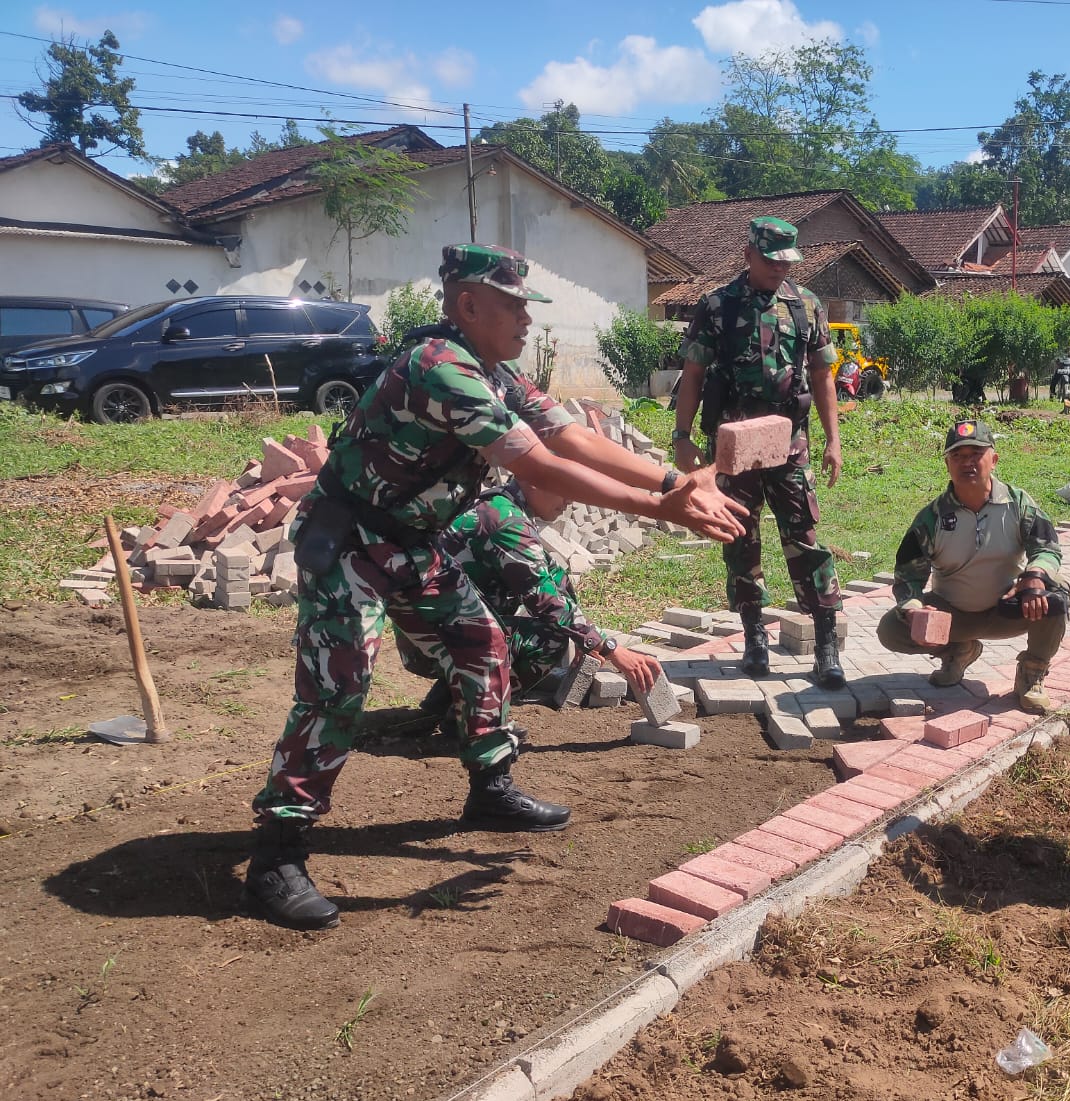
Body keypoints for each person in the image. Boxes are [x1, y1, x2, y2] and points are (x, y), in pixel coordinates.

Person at [245, 243, 747, 931]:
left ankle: (490, 787)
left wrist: (669, 481)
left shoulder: (495, 373)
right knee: (340, 687)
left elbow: (569, 437)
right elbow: (535, 461)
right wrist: (660, 507)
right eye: (513, 306)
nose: (526, 320)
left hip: (414, 543)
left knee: (482, 644)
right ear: (468, 305)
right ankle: (276, 851)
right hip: (353, 544)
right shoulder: (439, 368)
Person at [671, 216, 847, 690]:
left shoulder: (806, 305)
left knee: (803, 536)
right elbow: (692, 374)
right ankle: (753, 636)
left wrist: (832, 440)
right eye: (770, 260)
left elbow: (822, 377)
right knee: (740, 537)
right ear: (748, 254)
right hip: (734, 442)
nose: (778, 269)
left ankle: (826, 642)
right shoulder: (717, 307)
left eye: (786, 262)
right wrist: (682, 435)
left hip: (789, 441)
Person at [394, 480, 662, 729]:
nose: (570, 500)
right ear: (534, 481)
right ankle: (473, 720)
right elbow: (545, 601)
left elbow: (554, 577)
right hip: (430, 647)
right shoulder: (506, 522)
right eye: (564, 490)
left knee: (535, 623)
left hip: (435, 636)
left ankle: (445, 703)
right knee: (550, 640)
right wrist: (611, 648)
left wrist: (585, 639)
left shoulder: (503, 506)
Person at [877, 419, 1070, 715]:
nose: (967, 463)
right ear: (947, 464)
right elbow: (907, 576)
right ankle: (958, 651)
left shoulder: (1018, 504)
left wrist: (1035, 576)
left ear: (993, 459)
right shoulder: (931, 518)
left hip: (1009, 610)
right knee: (892, 628)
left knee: (1055, 593)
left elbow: (1047, 547)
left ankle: (1032, 671)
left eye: (975, 455)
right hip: (954, 618)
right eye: (958, 456)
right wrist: (914, 608)